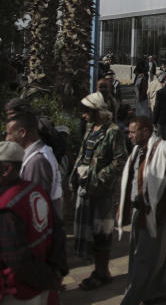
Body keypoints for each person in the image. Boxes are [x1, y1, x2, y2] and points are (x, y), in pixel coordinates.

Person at [0, 141, 67, 305]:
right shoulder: (34, 190)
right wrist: (55, 272)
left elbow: (18, 260)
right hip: (40, 286)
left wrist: (49, 281)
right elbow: (57, 231)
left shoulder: (5, 209)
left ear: (6, 170)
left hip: (19, 293)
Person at [117, 115, 166, 305]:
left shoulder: (165, 151)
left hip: (156, 213)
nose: (129, 135)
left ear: (145, 131)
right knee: (152, 255)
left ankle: (131, 299)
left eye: (132, 131)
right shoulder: (138, 151)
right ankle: (158, 292)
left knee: (143, 259)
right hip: (141, 212)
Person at [71, 91, 128, 290]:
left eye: (86, 111)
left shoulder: (113, 131)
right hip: (86, 188)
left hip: (103, 190)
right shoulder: (90, 129)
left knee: (101, 231)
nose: (83, 115)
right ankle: (97, 269)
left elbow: (120, 159)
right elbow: (83, 153)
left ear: (96, 111)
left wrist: (99, 177)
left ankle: (102, 272)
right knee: (89, 230)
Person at [4, 109, 64, 220]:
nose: (6, 138)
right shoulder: (39, 153)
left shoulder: (36, 162)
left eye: (9, 133)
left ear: (22, 133)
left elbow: (35, 205)